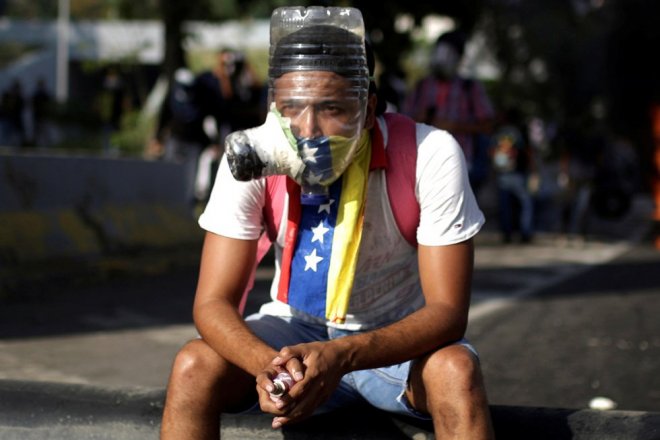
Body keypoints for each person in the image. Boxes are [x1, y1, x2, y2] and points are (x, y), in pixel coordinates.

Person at [160, 7, 494, 440]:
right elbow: (212, 303)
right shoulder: (252, 159)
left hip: (392, 338)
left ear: (369, 106)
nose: (307, 130)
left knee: (457, 371)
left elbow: (448, 313)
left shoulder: (429, 153)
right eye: (291, 108)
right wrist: (268, 367)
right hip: (292, 330)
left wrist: (341, 354)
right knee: (193, 366)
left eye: (332, 108)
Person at [404, 29, 495, 195]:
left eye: (448, 55)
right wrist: (420, 119)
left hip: (460, 168)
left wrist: (453, 126)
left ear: (459, 59)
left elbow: (488, 126)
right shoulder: (422, 86)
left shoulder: (470, 88)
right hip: (424, 167)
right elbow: (403, 121)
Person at [490, 107, 535, 243]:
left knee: (506, 206)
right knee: (525, 205)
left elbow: (491, 151)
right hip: (518, 173)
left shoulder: (498, 132)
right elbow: (527, 151)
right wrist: (532, 168)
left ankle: (507, 233)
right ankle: (525, 232)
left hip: (502, 173)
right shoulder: (519, 131)